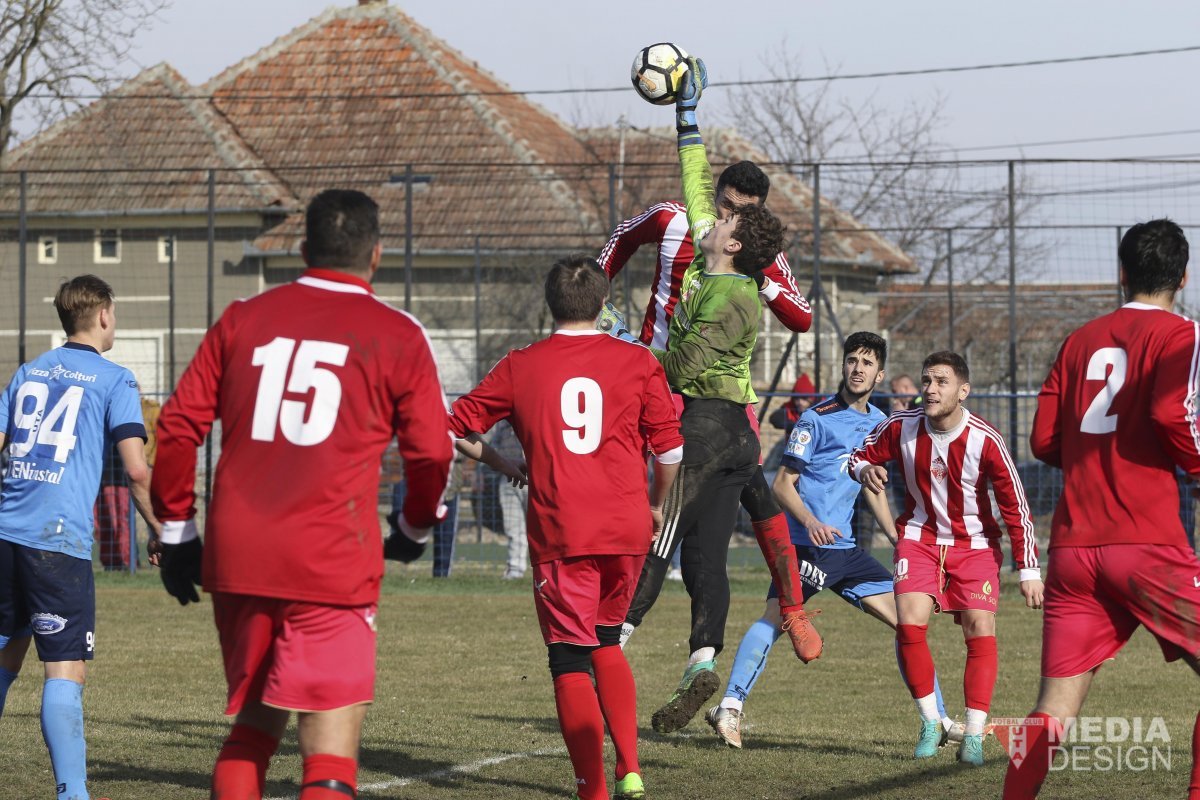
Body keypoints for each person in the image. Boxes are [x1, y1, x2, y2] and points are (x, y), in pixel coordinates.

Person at [150, 189, 454, 800]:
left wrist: (179, 533)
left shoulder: (242, 317)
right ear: (376, 256)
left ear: (301, 250)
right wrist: (415, 529)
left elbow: (178, 428)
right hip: (329, 555)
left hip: (238, 556)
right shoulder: (396, 333)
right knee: (329, 753)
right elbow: (431, 452)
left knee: (255, 726)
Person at [616, 58, 814, 738]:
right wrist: (688, 115)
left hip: (709, 428)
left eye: (727, 218)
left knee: (659, 538)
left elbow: (685, 361)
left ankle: (605, 646)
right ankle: (706, 657)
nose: (713, 215)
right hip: (732, 439)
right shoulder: (715, 254)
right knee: (707, 550)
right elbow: (698, 179)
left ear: (735, 238)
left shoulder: (735, 291)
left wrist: (626, 343)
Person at [449, 255, 683, 800]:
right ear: (604, 306)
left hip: (561, 529)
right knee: (606, 640)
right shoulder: (638, 361)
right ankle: (631, 767)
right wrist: (654, 505)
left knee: (569, 656)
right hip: (626, 526)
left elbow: (455, 425)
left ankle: (592, 788)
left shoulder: (520, 364)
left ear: (548, 305)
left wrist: (507, 466)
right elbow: (670, 450)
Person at [1002, 219, 1200, 798]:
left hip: (1073, 548)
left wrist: (1094, 456)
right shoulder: (1183, 335)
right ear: (1183, 277)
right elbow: (1172, 414)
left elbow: (1042, 442)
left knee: (1052, 709)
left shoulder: (1081, 339)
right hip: (1147, 544)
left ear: (1120, 274)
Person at [706, 332, 957, 748]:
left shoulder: (880, 424)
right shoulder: (816, 419)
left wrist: (897, 537)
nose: (858, 368)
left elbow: (873, 487)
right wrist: (811, 520)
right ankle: (730, 708)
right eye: (852, 360)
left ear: (880, 374)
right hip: (807, 546)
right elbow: (783, 485)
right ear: (843, 366)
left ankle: (940, 721)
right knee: (776, 617)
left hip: (845, 552)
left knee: (907, 624)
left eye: (867, 362)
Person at [0, 274, 159, 800]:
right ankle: (74, 794)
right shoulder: (116, 380)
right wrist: (161, 528)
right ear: (105, 316)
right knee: (63, 669)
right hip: (56, 543)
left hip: (5, 534)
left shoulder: (29, 371)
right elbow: (136, 471)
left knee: (4, 657)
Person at [850, 350, 1043, 766]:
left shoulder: (986, 439)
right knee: (910, 622)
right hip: (918, 539)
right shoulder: (899, 426)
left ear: (963, 390)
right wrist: (863, 471)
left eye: (941, 382)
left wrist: (1028, 569)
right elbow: (859, 455)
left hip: (974, 545)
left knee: (979, 627)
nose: (931, 390)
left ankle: (973, 733)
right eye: (927, 381)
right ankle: (931, 722)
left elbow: (1016, 506)